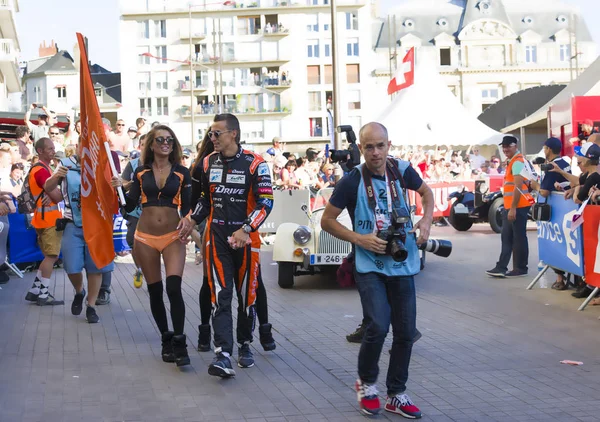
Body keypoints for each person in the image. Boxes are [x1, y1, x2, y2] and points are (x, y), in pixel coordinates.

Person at [321, 122, 433, 418]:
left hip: (402, 262)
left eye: (380, 145)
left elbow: (427, 193)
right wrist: (359, 239)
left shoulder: (403, 170)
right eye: (368, 146)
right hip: (369, 264)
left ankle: (396, 394)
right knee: (378, 327)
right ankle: (367, 384)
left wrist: (426, 220)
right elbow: (327, 221)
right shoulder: (352, 180)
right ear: (360, 148)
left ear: (389, 145)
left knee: (406, 332)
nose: (375, 152)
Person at [190, 113, 274, 378]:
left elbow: (266, 203)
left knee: (247, 296)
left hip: (247, 239)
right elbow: (205, 200)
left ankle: (245, 344)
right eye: (210, 134)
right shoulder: (206, 163)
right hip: (217, 237)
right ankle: (223, 353)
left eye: (217, 133)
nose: (211, 138)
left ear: (233, 134)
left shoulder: (255, 164)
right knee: (220, 295)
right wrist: (190, 219)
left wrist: (246, 229)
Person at [117, 125, 195, 366]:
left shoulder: (182, 172)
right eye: (160, 139)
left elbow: (189, 206)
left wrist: (189, 221)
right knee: (155, 291)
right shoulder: (140, 172)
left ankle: (180, 341)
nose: (165, 143)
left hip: (173, 237)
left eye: (169, 139)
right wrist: (120, 188)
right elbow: (129, 207)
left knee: (174, 288)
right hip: (145, 237)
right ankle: (166, 339)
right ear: (151, 144)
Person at [59, 144, 115, 323]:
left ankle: (90, 306)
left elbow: (113, 195)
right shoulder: (65, 164)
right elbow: (51, 189)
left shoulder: (103, 165)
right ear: (77, 146)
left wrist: (118, 184)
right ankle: (79, 291)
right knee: (71, 266)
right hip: (72, 223)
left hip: (97, 225)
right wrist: (55, 178)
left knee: (95, 268)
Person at [24, 137, 67, 306]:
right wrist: (58, 195)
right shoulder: (41, 170)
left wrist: (55, 195)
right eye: (49, 148)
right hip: (48, 219)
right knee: (52, 256)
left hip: (42, 218)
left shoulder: (42, 168)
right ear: (40, 151)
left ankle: (35, 291)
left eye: (53, 147)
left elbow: (54, 195)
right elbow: (56, 195)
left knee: (47, 257)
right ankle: (43, 294)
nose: (53, 151)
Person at [486, 136, 534, 278]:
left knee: (518, 238)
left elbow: (518, 186)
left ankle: (520, 268)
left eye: (508, 146)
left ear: (515, 146)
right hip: (512, 206)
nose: (505, 149)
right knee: (507, 237)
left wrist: (513, 208)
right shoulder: (513, 161)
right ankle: (502, 267)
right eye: (504, 146)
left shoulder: (517, 162)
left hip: (518, 207)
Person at [529, 137, 571, 290]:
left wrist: (535, 185)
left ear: (548, 149)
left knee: (557, 243)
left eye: (545, 148)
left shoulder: (552, 166)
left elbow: (545, 192)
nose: (544, 151)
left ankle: (560, 278)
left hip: (557, 213)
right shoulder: (565, 164)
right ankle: (575, 279)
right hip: (566, 210)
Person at [120, 134, 147, 288]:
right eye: (142, 144)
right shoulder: (133, 164)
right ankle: (139, 269)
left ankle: (152, 271)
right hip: (135, 210)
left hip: (152, 210)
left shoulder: (159, 163)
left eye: (148, 144)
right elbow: (122, 186)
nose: (145, 147)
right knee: (133, 242)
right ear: (139, 146)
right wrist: (133, 184)